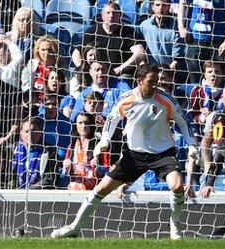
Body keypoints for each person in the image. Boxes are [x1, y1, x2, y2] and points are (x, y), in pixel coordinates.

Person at [51, 64, 195, 240]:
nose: (155, 85)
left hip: (162, 153)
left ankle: (175, 226)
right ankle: (74, 227)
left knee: (177, 185)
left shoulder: (166, 100)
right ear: (139, 81)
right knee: (101, 189)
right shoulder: (126, 99)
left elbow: (182, 121)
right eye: (151, 82)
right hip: (134, 155)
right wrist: (104, 140)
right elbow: (111, 119)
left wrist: (192, 144)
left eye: (156, 81)